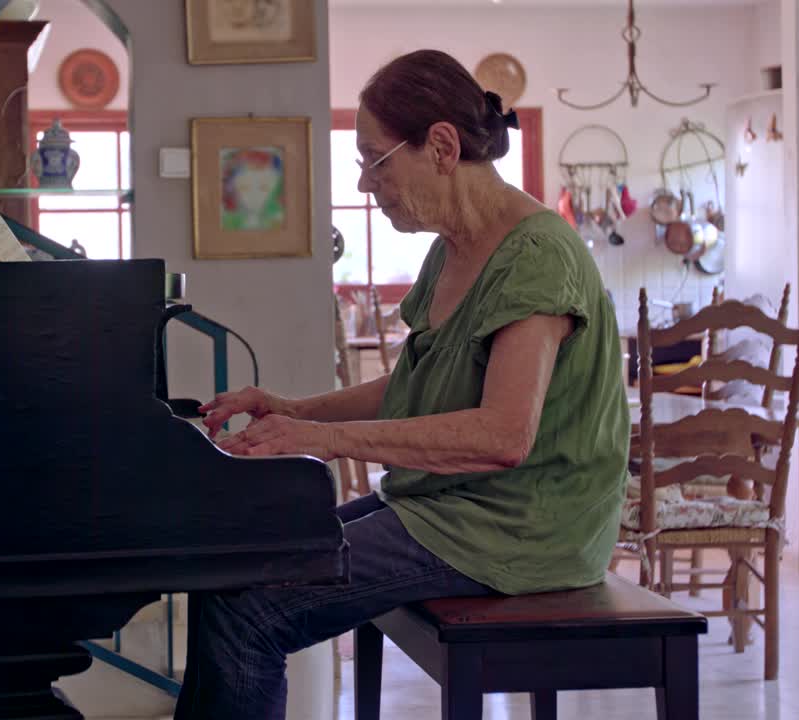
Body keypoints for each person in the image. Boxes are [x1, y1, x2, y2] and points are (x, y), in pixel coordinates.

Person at [173, 49, 630, 720]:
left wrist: (324, 439)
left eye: (374, 160)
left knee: (253, 610)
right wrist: (293, 410)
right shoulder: (452, 250)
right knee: (236, 568)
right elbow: (416, 385)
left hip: (523, 529)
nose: (365, 184)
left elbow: (504, 437)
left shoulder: (536, 254)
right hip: (456, 508)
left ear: (441, 146)